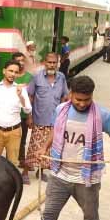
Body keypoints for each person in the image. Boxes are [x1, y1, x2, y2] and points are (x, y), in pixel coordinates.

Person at [16, 75, 110, 220]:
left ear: (92, 96)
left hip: (86, 178)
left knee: (90, 215)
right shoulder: (61, 110)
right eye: (78, 99)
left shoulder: (103, 115)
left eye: (86, 100)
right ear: (70, 94)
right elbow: (55, 131)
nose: (81, 103)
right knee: (49, 215)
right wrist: (44, 148)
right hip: (60, 174)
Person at [22, 53, 69, 185]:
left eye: (54, 63)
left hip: (54, 121)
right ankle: (25, 172)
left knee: (48, 149)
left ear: (58, 64)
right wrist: (29, 116)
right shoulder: (37, 77)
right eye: (49, 62)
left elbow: (64, 97)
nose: (52, 65)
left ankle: (40, 171)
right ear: (44, 63)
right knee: (33, 147)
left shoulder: (61, 78)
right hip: (39, 119)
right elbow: (30, 97)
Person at [0, 60, 32, 165]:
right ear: (4, 71)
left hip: (14, 132)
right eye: (11, 71)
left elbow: (27, 109)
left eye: (16, 72)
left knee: (12, 164)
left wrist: (21, 96)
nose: (13, 74)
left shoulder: (21, 90)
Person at [13, 52, 34, 167]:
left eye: (22, 60)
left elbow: (31, 98)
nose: (20, 63)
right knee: (13, 138)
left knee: (22, 138)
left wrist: (30, 116)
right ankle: (12, 159)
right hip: (12, 114)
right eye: (18, 60)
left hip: (24, 114)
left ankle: (21, 159)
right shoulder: (10, 76)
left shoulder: (29, 77)